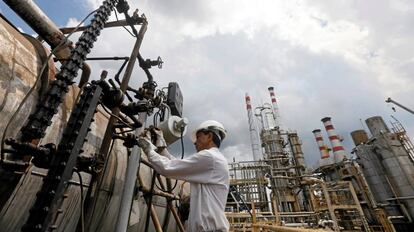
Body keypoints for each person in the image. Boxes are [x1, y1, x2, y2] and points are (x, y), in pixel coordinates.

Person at [138, 120, 230, 232]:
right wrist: (162, 148)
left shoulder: (210, 157)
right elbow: (177, 165)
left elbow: (168, 168)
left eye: (198, 137)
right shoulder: (214, 159)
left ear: (209, 136)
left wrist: (148, 150)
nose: (195, 143)